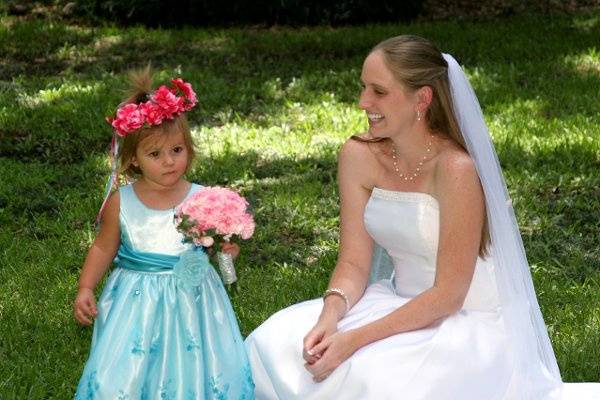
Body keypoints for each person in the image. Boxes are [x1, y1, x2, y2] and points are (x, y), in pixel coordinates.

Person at [244, 35, 600, 399]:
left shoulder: (455, 168)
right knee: (270, 344)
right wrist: (331, 316)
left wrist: (354, 340)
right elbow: (353, 263)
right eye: (363, 87)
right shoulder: (357, 155)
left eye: (379, 91)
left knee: (376, 382)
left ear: (422, 99)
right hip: (396, 302)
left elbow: (448, 295)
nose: (363, 102)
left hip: (463, 319)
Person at [73, 68, 255, 399]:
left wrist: (228, 251)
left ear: (189, 148)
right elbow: (103, 248)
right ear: (134, 159)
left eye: (177, 150)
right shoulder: (121, 202)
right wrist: (86, 287)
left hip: (192, 300)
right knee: (129, 365)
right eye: (155, 154)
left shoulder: (203, 200)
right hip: (136, 301)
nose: (169, 162)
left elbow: (217, 246)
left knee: (194, 359)